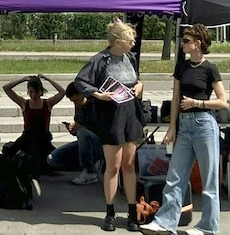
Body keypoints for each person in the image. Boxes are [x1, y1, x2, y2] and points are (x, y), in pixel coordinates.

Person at [141, 24, 226, 235]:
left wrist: (198, 104)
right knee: (175, 176)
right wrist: (171, 128)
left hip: (204, 123)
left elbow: (223, 101)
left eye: (187, 41)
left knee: (209, 179)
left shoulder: (210, 69)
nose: (183, 44)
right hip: (185, 126)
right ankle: (165, 222)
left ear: (198, 44)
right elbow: (176, 98)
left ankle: (208, 226)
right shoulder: (182, 67)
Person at [75, 18, 144, 232]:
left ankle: (132, 212)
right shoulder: (100, 60)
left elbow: (137, 79)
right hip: (111, 115)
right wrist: (98, 95)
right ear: (117, 41)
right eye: (130, 40)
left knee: (129, 165)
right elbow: (80, 81)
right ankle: (110, 212)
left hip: (131, 112)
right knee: (113, 166)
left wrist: (140, 86)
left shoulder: (130, 58)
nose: (133, 44)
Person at [3, 74, 65, 174]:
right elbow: (6, 88)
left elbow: (62, 92)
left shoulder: (47, 103)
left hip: (43, 141)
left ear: (41, 91)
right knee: (8, 152)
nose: (34, 95)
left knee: (55, 162)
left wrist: (48, 79)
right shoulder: (24, 103)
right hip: (27, 139)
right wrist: (23, 79)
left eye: (36, 92)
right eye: (31, 92)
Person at [47, 82, 103, 185]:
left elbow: (102, 130)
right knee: (52, 159)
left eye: (76, 100)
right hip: (83, 143)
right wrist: (73, 129)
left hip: (100, 144)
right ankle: (88, 163)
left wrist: (81, 128)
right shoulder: (78, 107)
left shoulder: (95, 105)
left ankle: (90, 172)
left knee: (82, 132)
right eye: (73, 101)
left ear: (83, 95)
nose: (76, 104)